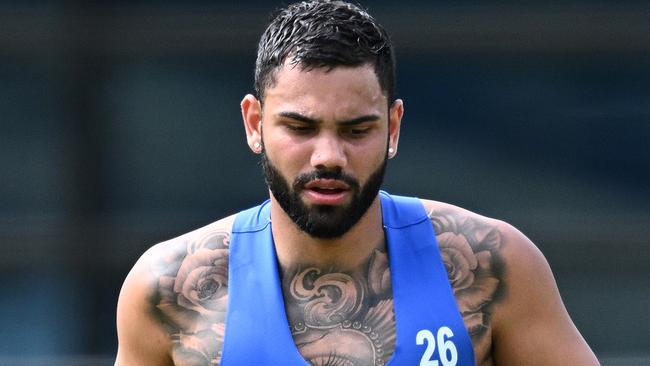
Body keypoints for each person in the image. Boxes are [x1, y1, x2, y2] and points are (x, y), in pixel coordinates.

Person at [114, 1, 600, 365]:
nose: (329, 156)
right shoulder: (168, 290)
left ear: (393, 127)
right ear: (254, 123)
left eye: (356, 130)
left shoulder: (493, 265)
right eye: (301, 128)